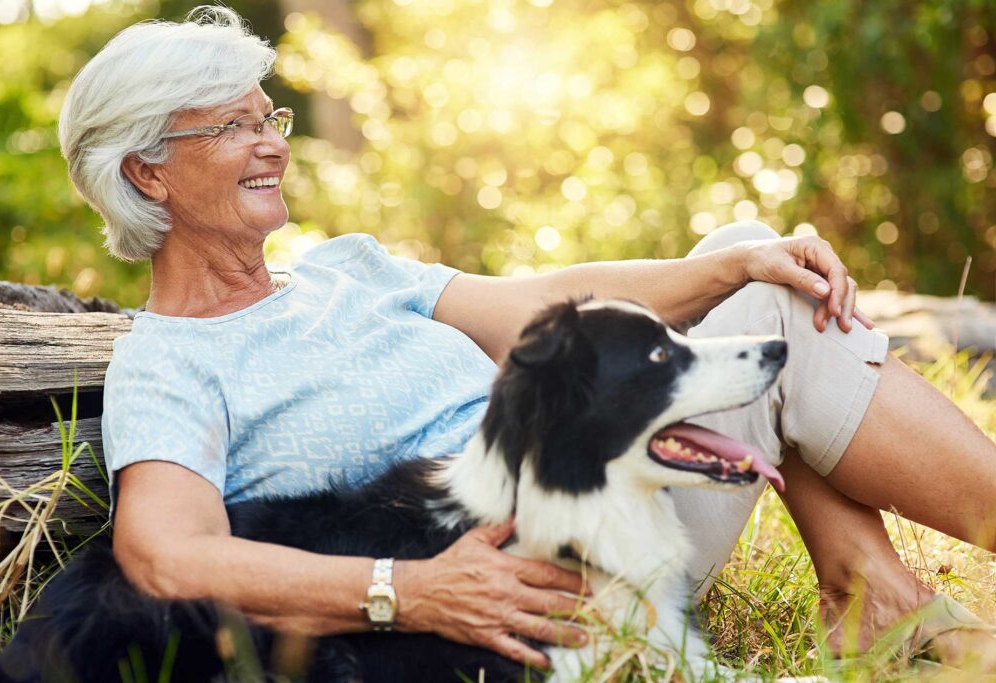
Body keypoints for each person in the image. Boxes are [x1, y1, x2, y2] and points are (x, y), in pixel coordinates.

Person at [57, 5, 996, 672]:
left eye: (271, 116)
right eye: (233, 125)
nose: (272, 143)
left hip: (611, 503)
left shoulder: (346, 268)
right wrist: (408, 591)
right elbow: (169, 557)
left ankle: (871, 596)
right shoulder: (171, 359)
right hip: (511, 590)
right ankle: (877, 600)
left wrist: (731, 271)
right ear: (148, 175)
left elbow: (549, 305)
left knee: (753, 260)